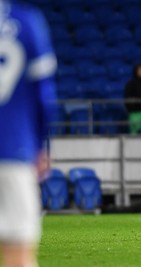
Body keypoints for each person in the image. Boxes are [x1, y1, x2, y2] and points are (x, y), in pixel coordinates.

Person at [0, 1, 57, 266]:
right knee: (19, 256)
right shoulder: (27, 21)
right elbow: (45, 96)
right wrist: (39, 145)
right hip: (15, 150)